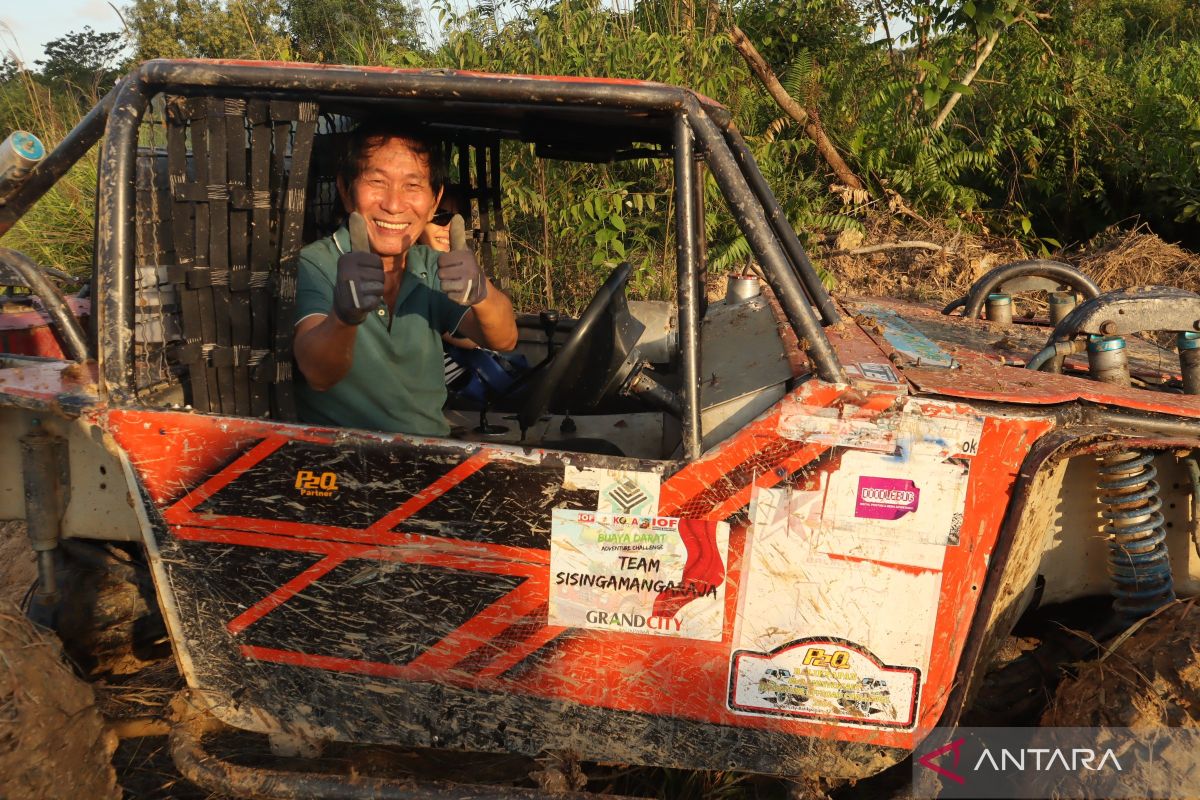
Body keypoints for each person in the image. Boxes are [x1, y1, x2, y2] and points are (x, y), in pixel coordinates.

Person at [293, 121, 518, 436]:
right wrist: (344, 317)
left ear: (434, 200)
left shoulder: (430, 264)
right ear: (346, 191)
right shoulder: (316, 263)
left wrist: (481, 293)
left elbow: (504, 339)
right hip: (341, 460)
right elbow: (318, 373)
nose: (394, 205)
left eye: (412, 186)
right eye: (377, 181)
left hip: (429, 456)